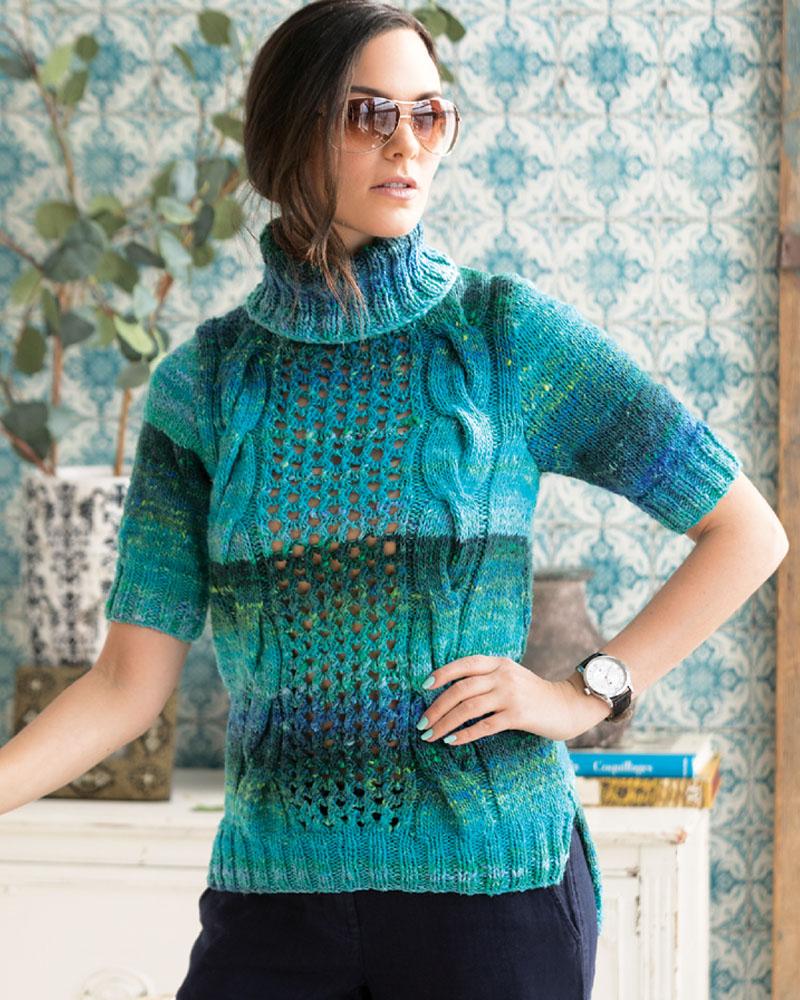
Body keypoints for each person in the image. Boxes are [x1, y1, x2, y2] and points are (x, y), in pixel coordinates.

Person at [1, 2, 787, 999]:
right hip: (275, 899)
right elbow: (126, 684)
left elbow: (744, 530)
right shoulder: (202, 385)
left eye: (429, 113)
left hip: (493, 895)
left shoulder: (501, 335)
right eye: (367, 113)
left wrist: (582, 693)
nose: (407, 143)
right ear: (288, 131)